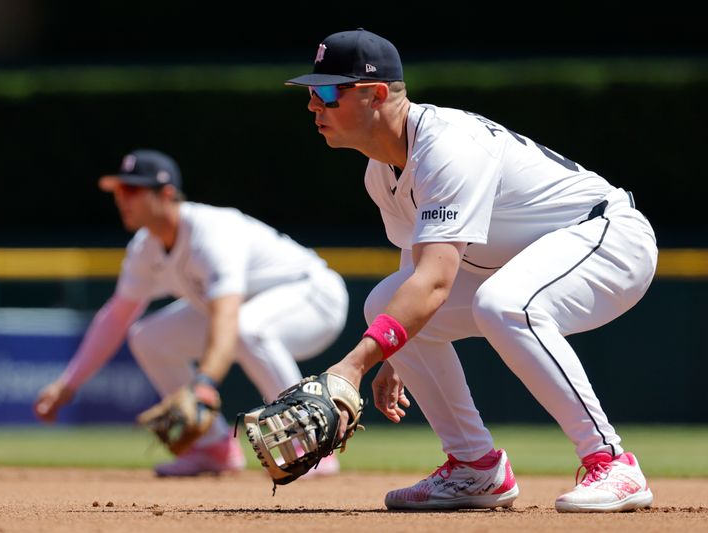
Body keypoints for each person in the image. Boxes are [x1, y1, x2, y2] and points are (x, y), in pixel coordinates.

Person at [285, 29, 657, 512]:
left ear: (376, 94)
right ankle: (474, 468)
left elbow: (436, 283)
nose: (314, 105)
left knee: (504, 303)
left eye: (327, 92)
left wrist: (355, 364)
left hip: (609, 238)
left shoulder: (448, 147)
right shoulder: (380, 171)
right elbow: (418, 274)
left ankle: (611, 460)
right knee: (384, 303)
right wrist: (396, 351)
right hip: (522, 260)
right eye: (311, 93)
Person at [33, 149, 348, 478]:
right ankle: (214, 448)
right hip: (246, 309)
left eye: (132, 190)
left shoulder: (210, 233)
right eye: (119, 191)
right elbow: (117, 316)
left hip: (314, 296)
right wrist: (68, 385)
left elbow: (226, 316)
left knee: (246, 328)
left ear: (166, 194)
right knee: (149, 337)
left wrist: (205, 383)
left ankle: (314, 440)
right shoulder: (145, 247)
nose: (122, 199)